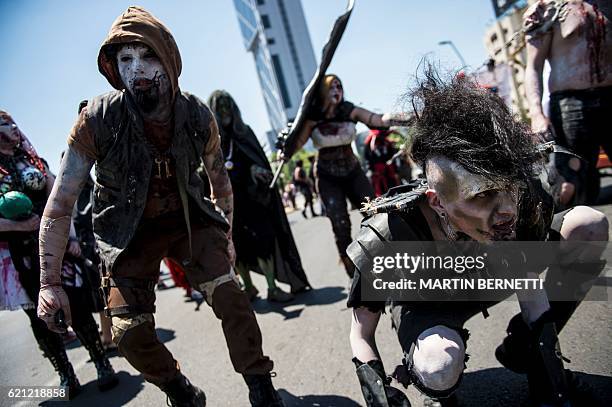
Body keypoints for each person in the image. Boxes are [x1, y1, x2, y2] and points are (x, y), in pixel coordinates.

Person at [36, 7, 284, 406]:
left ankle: (260, 385)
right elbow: (60, 204)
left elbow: (221, 183)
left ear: (169, 59)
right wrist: (49, 284)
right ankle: (179, 389)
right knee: (128, 333)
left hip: (191, 222)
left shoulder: (197, 115)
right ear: (113, 67)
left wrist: (228, 237)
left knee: (231, 296)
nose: (137, 70)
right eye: (126, 59)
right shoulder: (95, 121)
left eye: (148, 56)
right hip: (126, 235)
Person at [347, 69, 608, 406]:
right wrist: (380, 395)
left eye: (506, 188)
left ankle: (522, 348)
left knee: (588, 225)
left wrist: (552, 382)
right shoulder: (392, 235)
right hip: (429, 305)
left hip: (491, 279)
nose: (505, 211)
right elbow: (361, 333)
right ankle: (439, 382)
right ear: (436, 201)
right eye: (481, 195)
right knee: (438, 364)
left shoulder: (517, 204)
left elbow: (529, 285)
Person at [0, 110, 117, 398]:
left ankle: (102, 363)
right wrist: (17, 225)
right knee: (40, 318)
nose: (14, 128)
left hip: (56, 249)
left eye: (14, 123)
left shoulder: (33, 161)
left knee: (75, 305)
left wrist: (72, 237)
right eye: (5, 124)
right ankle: (66, 375)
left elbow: (61, 197)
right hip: (17, 259)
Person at [282, 74, 404, 277]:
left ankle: (390, 265)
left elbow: (378, 120)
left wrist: (407, 116)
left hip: (352, 171)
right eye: (332, 87)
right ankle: (354, 274)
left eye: (339, 86)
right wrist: (285, 150)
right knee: (340, 225)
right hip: (327, 176)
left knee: (375, 214)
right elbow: (295, 145)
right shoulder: (313, 117)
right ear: (322, 92)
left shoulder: (349, 110)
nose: (337, 90)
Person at [208, 90, 310, 302]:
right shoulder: (211, 139)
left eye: (228, 105)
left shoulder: (245, 133)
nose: (225, 110)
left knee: (265, 241)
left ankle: (272, 287)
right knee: (238, 245)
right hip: (228, 204)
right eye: (220, 107)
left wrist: (257, 169)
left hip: (254, 200)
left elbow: (258, 160)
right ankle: (249, 287)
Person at [523, 0, 612, 208]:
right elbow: (532, 68)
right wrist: (536, 114)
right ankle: (575, 233)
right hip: (571, 105)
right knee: (571, 184)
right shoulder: (546, 10)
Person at [363, 129, 400, 197]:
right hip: (377, 173)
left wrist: (395, 169)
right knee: (380, 190)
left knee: (393, 187)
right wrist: (372, 169)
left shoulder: (386, 143)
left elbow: (392, 156)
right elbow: (367, 158)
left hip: (388, 170)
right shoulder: (369, 145)